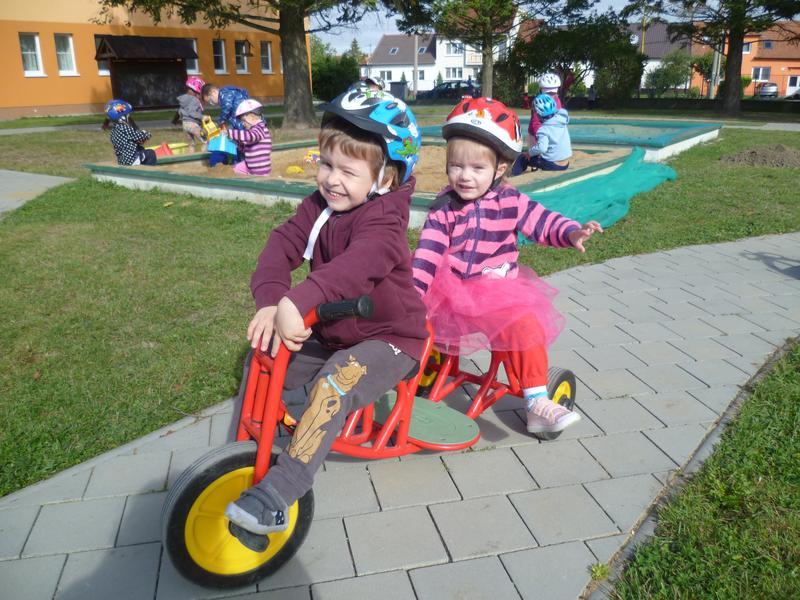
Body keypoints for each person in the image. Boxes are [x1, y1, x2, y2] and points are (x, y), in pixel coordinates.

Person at [224, 89, 427, 548]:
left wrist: (301, 299)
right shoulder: (320, 206)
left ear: (385, 177)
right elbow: (282, 244)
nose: (331, 180)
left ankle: (280, 493)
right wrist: (272, 301)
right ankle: (245, 450)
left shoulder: (384, 222)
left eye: (348, 172)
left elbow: (355, 268)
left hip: (391, 338)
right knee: (265, 356)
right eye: (326, 164)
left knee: (336, 382)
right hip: (337, 331)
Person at [411, 97, 601, 435]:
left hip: (497, 296)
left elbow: (542, 221)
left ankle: (537, 401)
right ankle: (405, 377)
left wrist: (571, 232)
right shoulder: (444, 208)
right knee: (413, 323)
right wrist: (412, 295)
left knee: (526, 326)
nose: (464, 176)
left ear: (499, 169)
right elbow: (428, 253)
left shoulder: (511, 201)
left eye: (477, 168)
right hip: (450, 295)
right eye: (456, 166)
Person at [102, 99, 157, 166]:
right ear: (123, 117)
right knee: (150, 153)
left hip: (122, 160)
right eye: (127, 115)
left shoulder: (114, 131)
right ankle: (148, 171)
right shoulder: (124, 127)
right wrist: (146, 134)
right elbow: (139, 136)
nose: (129, 117)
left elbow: (128, 141)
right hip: (131, 159)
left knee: (140, 149)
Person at [225, 99, 272, 176]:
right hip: (250, 166)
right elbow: (247, 146)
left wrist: (231, 133)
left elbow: (251, 136)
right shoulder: (253, 130)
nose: (243, 124)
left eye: (243, 120)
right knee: (236, 169)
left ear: (251, 116)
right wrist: (239, 144)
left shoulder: (260, 127)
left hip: (260, 170)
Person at [527, 94, 572, 171]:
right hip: (566, 163)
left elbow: (542, 148)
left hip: (553, 164)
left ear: (538, 113)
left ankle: (513, 173)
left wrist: (529, 153)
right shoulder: (562, 120)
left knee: (526, 158)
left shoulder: (543, 130)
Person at [527, 73, 562, 146]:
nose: (551, 96)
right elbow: (536, 123)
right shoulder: (539, 103)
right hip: (536, 135)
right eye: (548, 93)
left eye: (553, 93)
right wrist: (541, 138)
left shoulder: (557, 101)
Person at [176, 76, 206, 153]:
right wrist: (202, 117)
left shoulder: (184, 100)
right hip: (193, 125)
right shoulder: (194, 100)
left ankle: (191, 158)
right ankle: (205, 156)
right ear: (197, 91)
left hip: (185, 124)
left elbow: (180, 112)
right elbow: (192, 112)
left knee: (191, 144)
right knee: (205, 140)